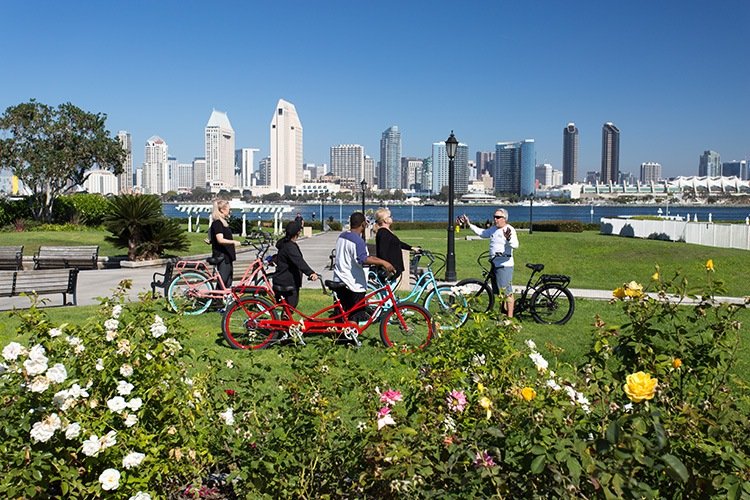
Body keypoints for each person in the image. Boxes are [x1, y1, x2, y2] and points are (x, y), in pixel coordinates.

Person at [333, 212, 395, 320]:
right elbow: (363, 259)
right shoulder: (358, 241)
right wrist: (384, 263)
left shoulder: (342, 236)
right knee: (355, 316)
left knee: (342, 314)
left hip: (339, 278)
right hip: (353, 284)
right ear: (363, 224)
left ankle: (342, 335)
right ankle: (350, 335)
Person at [462, 208, 520, 317]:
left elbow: (515, 245)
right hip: (494, 264)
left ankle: (510, 318)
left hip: (504, 265)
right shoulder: (493, 229)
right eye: (494, 216)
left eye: (498, 217)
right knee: (498, 291)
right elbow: (482, 233)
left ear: (505, 219)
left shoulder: (509, 229)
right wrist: (469, 224)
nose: (495, 219)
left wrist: (509, 239)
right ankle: (503, 311)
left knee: (507, 292)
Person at [272, 220, 318, 308]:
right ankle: (285, 318)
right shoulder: (290, 247)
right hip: (288, 282)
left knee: (287, 308)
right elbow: (299, 262)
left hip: (279, 279)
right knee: (291, 306)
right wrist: (311, 273)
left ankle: (284, 318)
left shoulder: (283, 243)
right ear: (297, 232)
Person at [373, 207, 420, 282]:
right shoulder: (383, 233)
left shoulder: (386, 232)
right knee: (388, 292)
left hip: (393, 268)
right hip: (389, 269)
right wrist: (387, 266)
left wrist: (411, 248)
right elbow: (382, 252)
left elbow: (398, 243)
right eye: (389, 216)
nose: (391, 218)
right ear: (385, 220)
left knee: (390, 292)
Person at [209, 200, 242, 288]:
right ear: (222, 210)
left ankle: (221, 300)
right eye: (229, 209)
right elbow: (220, 239)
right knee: (223, 282)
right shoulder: (217, 223)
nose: (230, 211)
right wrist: (234, 242)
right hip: (222, 256)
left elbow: (216, 238)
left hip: (227, 256)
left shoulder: (223, 223)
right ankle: (216, 300)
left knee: (227, 281)